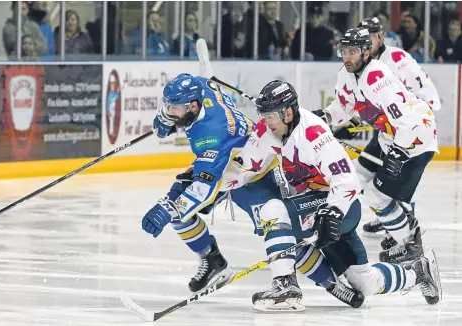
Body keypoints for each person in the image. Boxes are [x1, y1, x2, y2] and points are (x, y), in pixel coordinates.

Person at [140, 73, 375, 311]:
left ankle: (330, 284)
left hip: (258, 176)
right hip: (239, 163)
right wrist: (166, 117)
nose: (170, 110)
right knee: (176, 203)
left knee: (280, 227)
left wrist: (176, 206)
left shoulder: (212, 135)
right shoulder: (201, 89)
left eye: (174, 108)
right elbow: (235, 169)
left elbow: (207, 186)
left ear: (192, 105)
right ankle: (211, 258)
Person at [241, 79, 441, 309]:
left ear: (287, 113)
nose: (265, 123)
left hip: (340, 208)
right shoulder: (270, 130)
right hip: (318, 207)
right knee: (364, 282)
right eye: (263, 116)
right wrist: (206, 181)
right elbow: (244, 166)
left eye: (270, 117)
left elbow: (347, 181)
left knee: (274, 211)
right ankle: (418, 273)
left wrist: (332, 212)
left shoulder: (313, 134)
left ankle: (285, 284)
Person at [318, 28, 438, 264]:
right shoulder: (346, 72)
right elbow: (345, 105)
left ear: (365, 52)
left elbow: (408, 120)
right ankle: (400, 227)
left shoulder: (378, 79)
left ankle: (409, 242)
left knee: (375, 195)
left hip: (416, 139)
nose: (347, 57)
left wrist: (398, 152)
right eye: (344, 51)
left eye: (353, 52)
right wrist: (325, 118)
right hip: (389, 136)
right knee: (352, 177)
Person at [350, 17, 441, 248]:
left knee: (396, 175)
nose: (363, 41)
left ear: (380, 36)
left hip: (408, 130)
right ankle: (390, 218)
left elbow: (427, 94)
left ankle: (405, 226)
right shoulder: (362, 64)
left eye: (368, 36)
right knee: (364, 177)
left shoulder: (397, 59)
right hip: (387, 132)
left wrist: (412, 121)